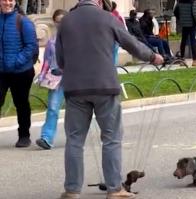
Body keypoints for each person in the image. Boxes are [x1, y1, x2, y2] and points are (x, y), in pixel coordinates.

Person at [55, 0, 163, 198]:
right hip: (105, 87)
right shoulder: (108, 18)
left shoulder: (66, 21)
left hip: (75, 90)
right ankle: (115, 189)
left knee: (75, 141)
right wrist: (152, 56)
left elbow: (60, 60)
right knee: (111, 139)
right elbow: (130, 43)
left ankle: (72, 190)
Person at [0, 0, 38, 147]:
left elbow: (31, 46)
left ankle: (24, 135)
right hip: (2, 72)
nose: (8, 3)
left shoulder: (24, 22)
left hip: (21, 71)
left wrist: (17, 61)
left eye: (11, 0)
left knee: (21, 103)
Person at [35, 9, 68, 150]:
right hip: (55, 79)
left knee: (76, 110)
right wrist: (42, 75)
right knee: (53, 108)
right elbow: (47, 61)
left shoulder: (78, 39)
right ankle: (46, 138)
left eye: (62, 21)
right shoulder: (51, 42)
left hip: (74, 79)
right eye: (57, 21)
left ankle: (75, 137)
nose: (60, 24)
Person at [174, 0, 196, 67]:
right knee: (193, 42)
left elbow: (175, 11)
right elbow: (195, 14)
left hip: (184, 24)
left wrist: (180, 18)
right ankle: (195, 60)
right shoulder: (194, 1)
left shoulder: (180, 1)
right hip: (193, 24)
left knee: (183, 41)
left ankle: (182, 60)